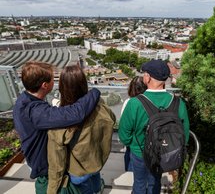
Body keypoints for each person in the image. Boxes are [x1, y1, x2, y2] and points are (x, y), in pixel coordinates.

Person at [13, 61, 100, 192]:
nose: (55, 82)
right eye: (53, 79)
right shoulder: (36, 112)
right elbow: (75, 113)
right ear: (45, 85)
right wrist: (94, 92)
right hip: (44, 165)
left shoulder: (23, 100)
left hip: (34, 158)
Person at [118, 59, 190, 194]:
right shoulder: (178, 103)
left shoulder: (134, 103)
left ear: (148, 77)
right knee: (155, 182)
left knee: (139, 182)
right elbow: (184, 133)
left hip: (140, 152)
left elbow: (124, 135)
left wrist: (133, 145)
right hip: (165, 152)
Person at [47, 65, 116, 194]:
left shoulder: (59, 120)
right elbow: (111, 119)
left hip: (78, 170)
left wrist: (52, 190)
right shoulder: (99, 105)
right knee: (95, 179)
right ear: (84, 84)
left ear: (62, 87)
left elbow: (56, 163)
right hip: (97, 160)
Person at [120, 76, 147, 171]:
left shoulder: (129, 102)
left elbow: (124, 127)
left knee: (134, 175)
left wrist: (128, 142)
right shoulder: (150, 101)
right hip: (149, 144)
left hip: (134, 146)